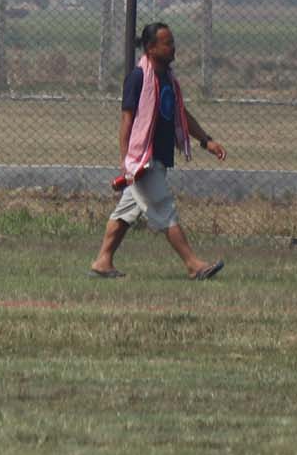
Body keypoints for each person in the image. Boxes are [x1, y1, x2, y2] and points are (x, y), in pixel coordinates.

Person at [91, 21, 227, 280]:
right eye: (167, 43)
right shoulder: (139, 77)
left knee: (126, 211)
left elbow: (180, 114)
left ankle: (103, 261)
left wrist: (205, 141)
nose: (173, 47)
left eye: (173, 42)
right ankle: (193, 264)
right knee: (164, 208)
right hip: (143, 160)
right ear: (151, 48)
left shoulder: (168, 80)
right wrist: (126, 161)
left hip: (159, 157)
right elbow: (126, 121)